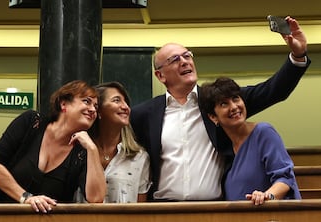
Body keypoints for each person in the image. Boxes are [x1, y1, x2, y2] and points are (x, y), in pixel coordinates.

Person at [130, 16, 310, 201]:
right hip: (163, 210)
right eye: (175, 59)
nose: (184, 61)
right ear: (160, 76)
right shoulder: (142, 115)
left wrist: (298, 55)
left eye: (187, 55)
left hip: (213, 209)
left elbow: (274, 91)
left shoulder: (218, 101)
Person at [0, 80, 106, 212]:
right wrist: (25, 198)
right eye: (87, 101)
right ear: (63, 104)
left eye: (96, 107)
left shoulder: (83, 151)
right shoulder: (31, 122)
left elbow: (96, 198)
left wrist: (92, 149)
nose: (92, 110)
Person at [199, 77, 301, 205]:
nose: (234, 107)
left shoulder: (263, 133)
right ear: (213, 117)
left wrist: (267, 196)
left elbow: (285, 178)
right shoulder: (225, 152)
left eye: (235, 98)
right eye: (224, 104)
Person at [77, 81, 151, 203]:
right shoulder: (78, 151)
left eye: (126, 102)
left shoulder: (140, 157)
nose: (125, 107)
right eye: (117, 100)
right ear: (98, 110)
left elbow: (140, 210)